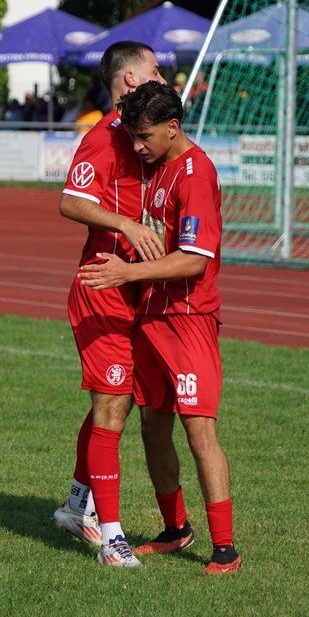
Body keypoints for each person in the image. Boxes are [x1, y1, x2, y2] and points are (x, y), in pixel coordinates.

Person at [80, 81, 242, 575]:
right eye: (133, 135)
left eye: (145, 136)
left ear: (173, 128)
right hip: (151, 317)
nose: (137, 145)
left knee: (199, 432)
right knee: (153, 427)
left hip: (188, 319)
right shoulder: (157, 165)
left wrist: (126, 274)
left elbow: (194, 260)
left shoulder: (196, 174)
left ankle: (226, 549)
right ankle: (176, 528)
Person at [53, 41, 166, 569]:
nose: (163, 76)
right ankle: (113, 542)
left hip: (137, 289)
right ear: (130, 80)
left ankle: (78, 505)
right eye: (155, 70)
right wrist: (127, 225)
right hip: (102, 290)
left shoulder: (147, 134)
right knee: (113, 405)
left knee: (113, 403)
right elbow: (69, 201)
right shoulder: (103, 138)